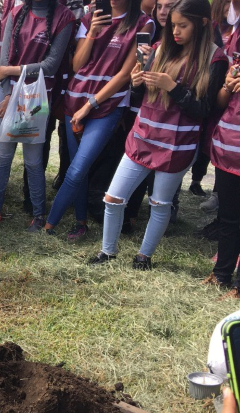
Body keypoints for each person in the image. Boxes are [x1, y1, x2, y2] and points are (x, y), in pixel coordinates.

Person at [90, 0, 228, 270]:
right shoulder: (159, 48)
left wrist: (173, 87)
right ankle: (107, 252)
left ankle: (144, 256)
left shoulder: (215, 58)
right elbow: (140, 97)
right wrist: (136, 83)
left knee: (160, 203)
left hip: (177, 144)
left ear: (202, 23)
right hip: (142, 136)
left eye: (182, 25)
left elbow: (204, 109)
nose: (175, 31)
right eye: (173, 25)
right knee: (113, 198)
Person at [43, 0, 153, 239]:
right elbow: (77, 64)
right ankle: (80, 222)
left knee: (77, 169)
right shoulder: (89, 17)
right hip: (75, 99)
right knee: (77, 168)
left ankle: (48, 226)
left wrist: (90, 105)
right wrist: (92, 32)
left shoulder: (144, 23)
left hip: (107, 104)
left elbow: (125, 74)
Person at [0, 0, 76, 231]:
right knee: (2, 156)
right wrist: (9, 93)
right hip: (7, 93)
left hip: (37, 98)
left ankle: (39, 215)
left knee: (33, 160)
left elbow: (50, 66)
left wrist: (13, 73)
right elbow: (3, 60)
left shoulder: (64, 17)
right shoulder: (16, 12)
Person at [204, 15, 240, 299]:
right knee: (228, 216)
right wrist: (228, 84)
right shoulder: (236, 36)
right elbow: (220, 101)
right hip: (230, 145)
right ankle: (221, 275)